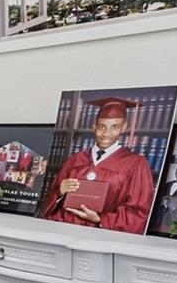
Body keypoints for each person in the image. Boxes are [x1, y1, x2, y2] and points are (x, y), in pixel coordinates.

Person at [40, 97, 157, 234]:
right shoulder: (75, 159)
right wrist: (59, 192)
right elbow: (48, 203)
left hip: (101, 236)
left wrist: (100, 219)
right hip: (64, 229)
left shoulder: (135, 163)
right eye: (101, 127)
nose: (106, 133)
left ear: (124, 127)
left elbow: (139, 211)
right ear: (94, 126)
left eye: (115, 127)